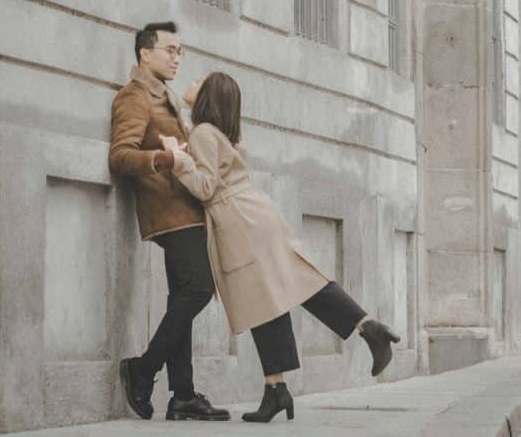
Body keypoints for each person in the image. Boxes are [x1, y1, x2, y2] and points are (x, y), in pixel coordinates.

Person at [164, 72, 401, 423]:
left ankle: (293, 379)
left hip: (240, 221)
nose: (192, 82)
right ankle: (283, 384)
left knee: (272, 295)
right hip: (256, 213)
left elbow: (205, 187)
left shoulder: (202, 133)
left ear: (208, 97)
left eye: (200, 81)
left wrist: (176, 159)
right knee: (286, 289)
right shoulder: (214, 132)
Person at [108, 22, 230, 421]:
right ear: (145, 53)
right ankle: (142, 369)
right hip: (169, 214)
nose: (177, 58)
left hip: (187, 210)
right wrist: (163, 159)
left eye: (181, 51)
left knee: (183, 299)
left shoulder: (167, 97)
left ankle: (183, 395)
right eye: (169, 50)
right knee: (199, 289)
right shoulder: (134, 96)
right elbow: (121, 156)